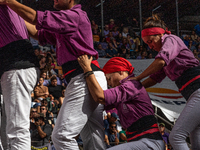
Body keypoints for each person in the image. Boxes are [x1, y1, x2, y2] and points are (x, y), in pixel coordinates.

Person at [0, 0, 108, 149]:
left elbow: (37, 18)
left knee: (62, 136)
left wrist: (9, 2)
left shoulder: (74, 16)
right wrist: (15, 17)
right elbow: (39, 33)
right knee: (93, 136)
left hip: (83, 76)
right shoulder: (69, 21)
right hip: (90, 76)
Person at [132, 15, 200, 150]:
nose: (150, 46)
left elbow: (161, 61)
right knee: (196, 137)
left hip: (198, 91)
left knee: (176, 136)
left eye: (150, 41)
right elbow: (155, 78)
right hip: (193, 93)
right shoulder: (168, 51)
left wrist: (138, 78)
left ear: (160, 34)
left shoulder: (170, 39)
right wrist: (133, 87)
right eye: (147, 44)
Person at [77, 56, 164, 150]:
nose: (109, 83)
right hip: (142, 143)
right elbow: (97, 103)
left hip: (150, 142)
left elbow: (100, 97)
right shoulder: (123, 93)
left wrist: (87, 69)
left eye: (109, 79)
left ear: (120, 72)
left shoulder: (131, 85)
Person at [0, 5, 39, 150]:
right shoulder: (12, 10)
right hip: (16, 67)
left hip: (17, 67)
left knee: (17, 129)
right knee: (11, 128)